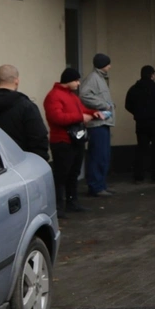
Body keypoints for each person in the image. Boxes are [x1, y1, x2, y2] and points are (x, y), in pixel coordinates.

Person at [44, 68, 98, 212]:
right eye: (76, 80)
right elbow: (57, 117)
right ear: (68, 80)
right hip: (62, 142)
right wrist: (81, 117)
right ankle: (58, 206)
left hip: (76, 140)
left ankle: (72, 202)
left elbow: (82, 111)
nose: (78, 83)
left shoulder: (72, 96)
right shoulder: (54, 96)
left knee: (73, 173)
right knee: (62, 175)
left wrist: (94, 113)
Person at [0, 65, 50, 161]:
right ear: (17, 81)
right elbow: (38, 138)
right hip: (20, 162)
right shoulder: (27, 106)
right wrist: (40, 161)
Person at [79, 53, 116, 197]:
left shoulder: (99, 78)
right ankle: (96, 186)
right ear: (103, 65)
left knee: (103, 156)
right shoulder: (93, 78)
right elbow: (84, 95)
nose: (110, 66)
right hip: (97, 124)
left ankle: (100, 185)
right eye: (108, 64)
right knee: (98, 155)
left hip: (103, 122)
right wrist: (104, 105)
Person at [125, 65, 155, 182]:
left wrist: (137, 113)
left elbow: (128, 105)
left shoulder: (134, 89)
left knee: (142, 149)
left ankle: (139, 176)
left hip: (141, 122)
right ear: (152, 75)